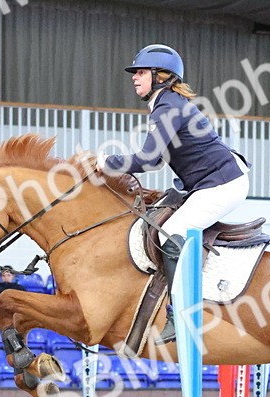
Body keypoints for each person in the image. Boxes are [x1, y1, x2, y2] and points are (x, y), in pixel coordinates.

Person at [97, 44, 251, 343]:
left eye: (141, 72)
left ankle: (182, 314)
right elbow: (156, 163)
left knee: (171, 231)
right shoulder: (167, 104)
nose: (134, 77)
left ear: (161, 76)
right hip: (211, 181)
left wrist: (106, 163)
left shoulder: (168, 107)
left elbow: (148, 160)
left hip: (223, 183)